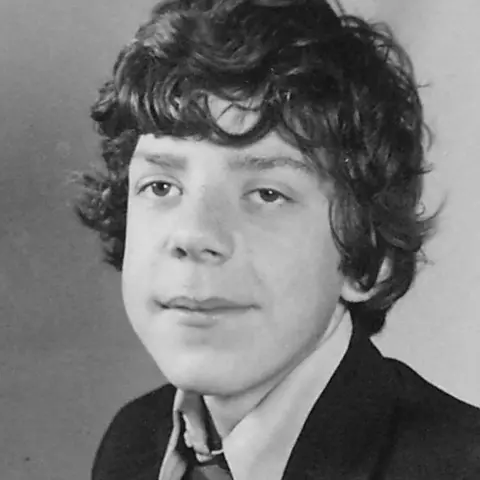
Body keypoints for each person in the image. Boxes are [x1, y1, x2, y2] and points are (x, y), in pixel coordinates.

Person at [75, 0, 480, 478]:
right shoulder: (135, 442)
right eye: (161, 187)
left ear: (362, 260)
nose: (194, 235)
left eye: (267, 193)